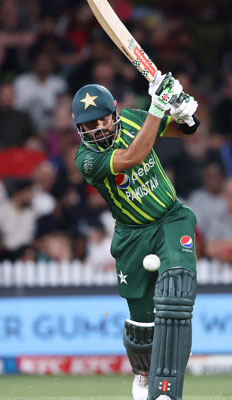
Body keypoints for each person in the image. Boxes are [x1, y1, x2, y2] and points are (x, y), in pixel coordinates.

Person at [72, 72, 200, 400]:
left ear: (115, 112)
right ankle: (143, 375)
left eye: (102, 120)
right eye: (89, 125)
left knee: (177, 292)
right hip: (132, 236)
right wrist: (158, 106)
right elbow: (133, 158)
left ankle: (169, 386)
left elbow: (183, 131)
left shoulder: (132, 118)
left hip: (170, 218)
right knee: (142, 328)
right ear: (79, 128)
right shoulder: (85, 160)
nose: (98, 129)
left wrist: (185, 114)